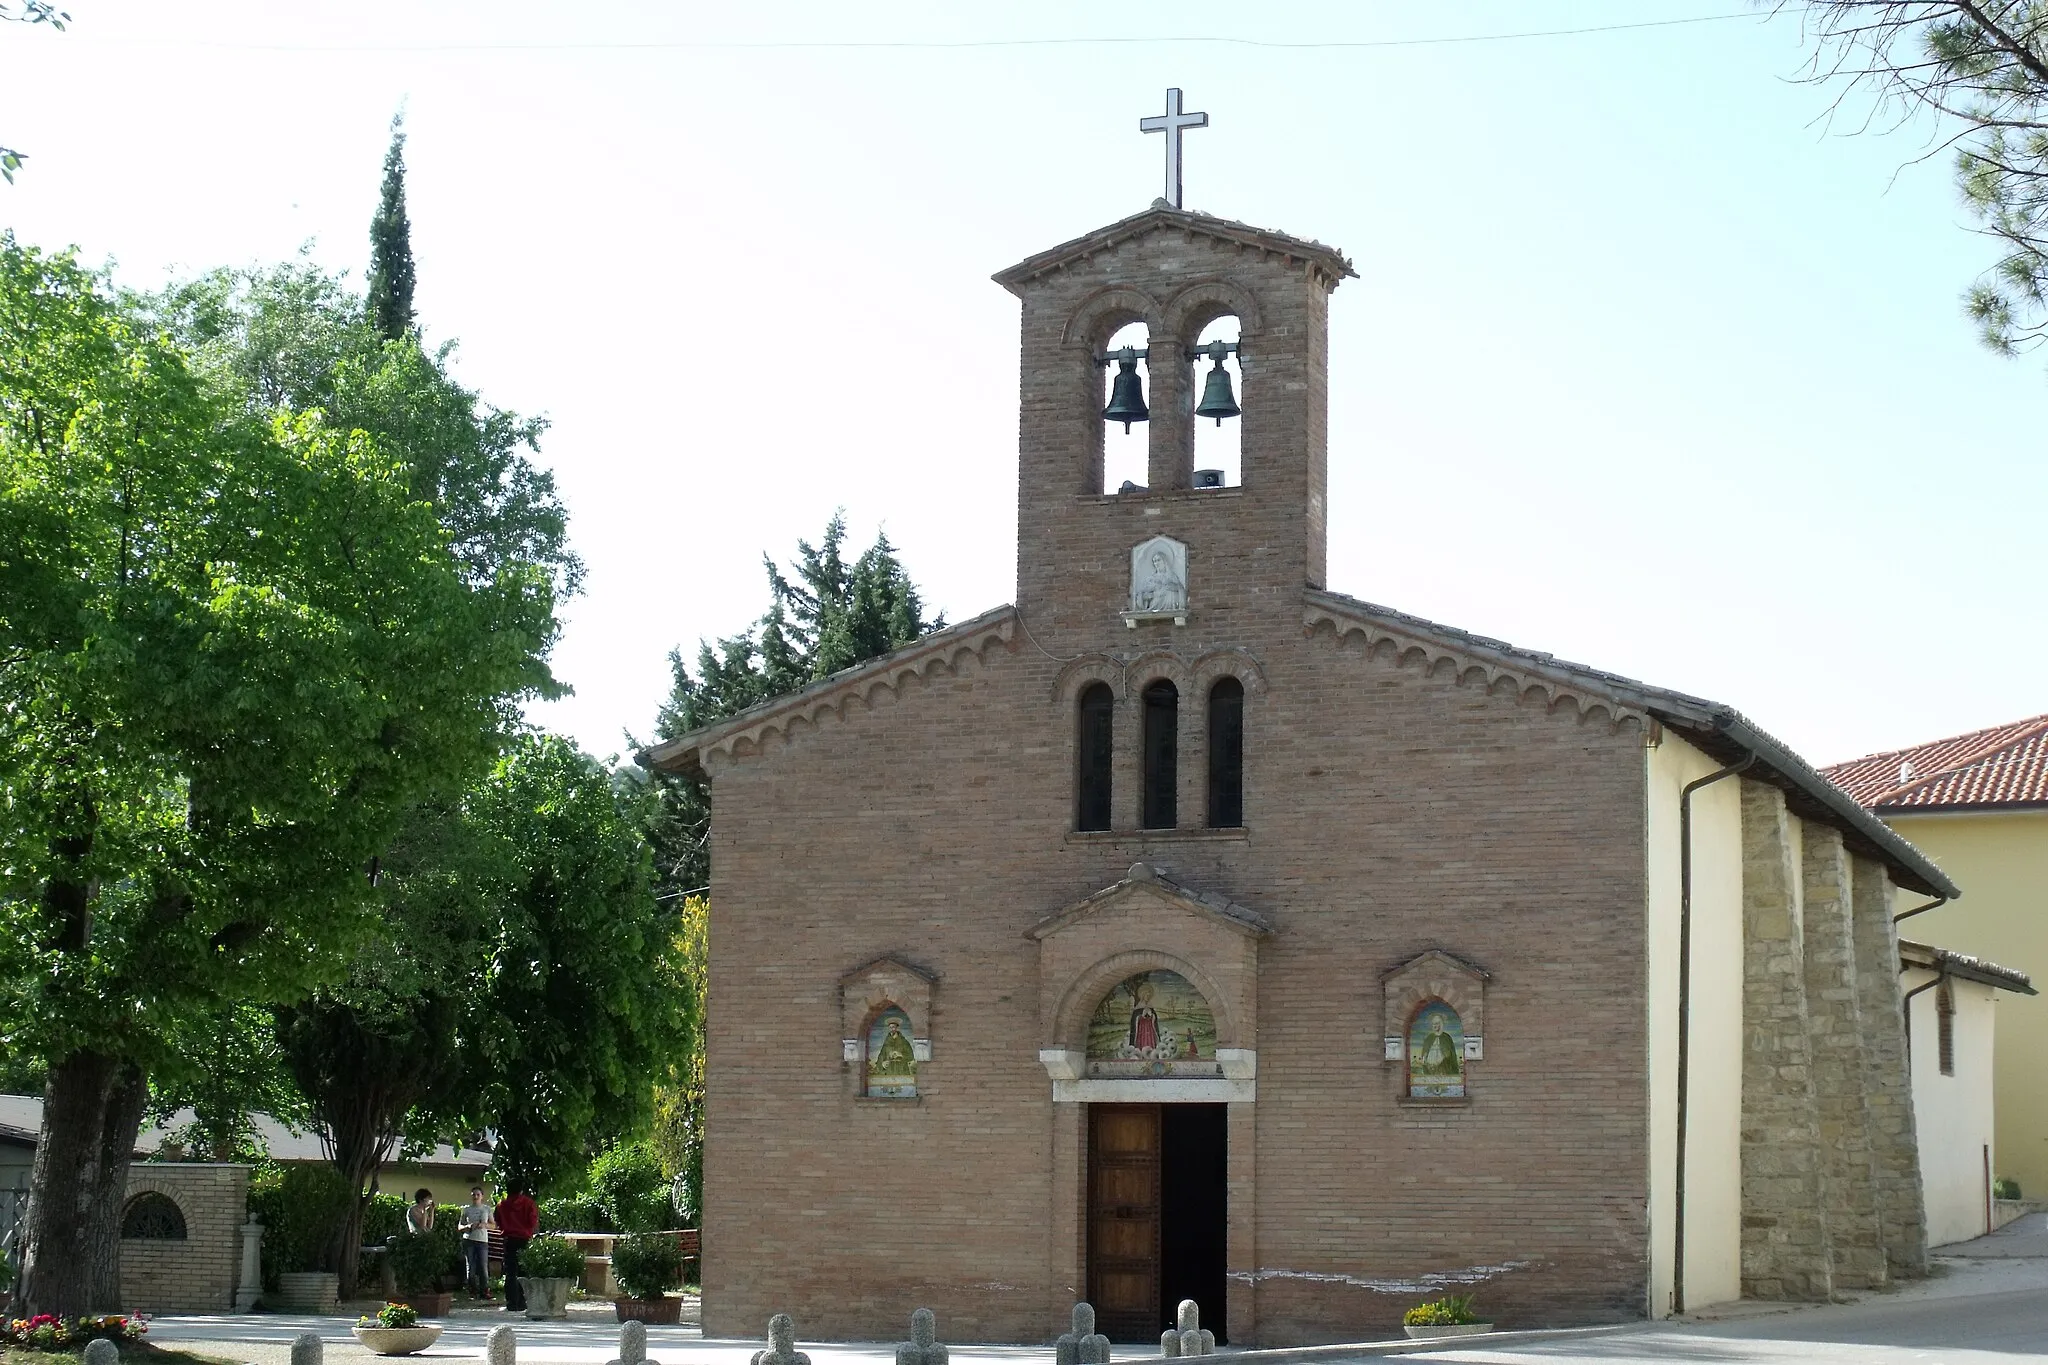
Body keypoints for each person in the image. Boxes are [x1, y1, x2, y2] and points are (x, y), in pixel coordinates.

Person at [495, 1183, 539, 1312]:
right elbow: (532, 1221)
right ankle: (523, 1301)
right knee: (523, 1272)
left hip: (509, 1239)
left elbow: (498, 1221)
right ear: (521, 1190)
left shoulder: (501, 1205)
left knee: (510, 1272)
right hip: (524, 1239)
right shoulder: (529, 1203)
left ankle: (511, 1303)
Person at [457, 1186, 493, 1300]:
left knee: (483, 1267)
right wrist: (467, 1226)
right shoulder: (466, 1210)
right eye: (473, 1195)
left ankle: (485, 1291)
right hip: (469, 1240)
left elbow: (494, 1225)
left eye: (478, 1195)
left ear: (482, 1196)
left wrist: (484, 1225)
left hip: (482, 1240)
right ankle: (472, 1291)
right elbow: (459, 1226)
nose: (476, 1197)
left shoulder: (487, 1209)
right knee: (470, 1267)